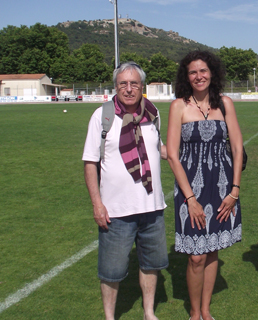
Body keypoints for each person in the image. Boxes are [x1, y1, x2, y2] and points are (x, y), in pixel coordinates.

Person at [83, 62, 168, 320]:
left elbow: (160, 149)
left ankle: (148, 312)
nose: (129, 89)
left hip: (152, 207)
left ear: (142, 87)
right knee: (111, 270)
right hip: (116, 210)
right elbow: (90, 163)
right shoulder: (102, 116)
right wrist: (97, 204)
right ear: (116, 87)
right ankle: (110, 317)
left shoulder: (153, 114)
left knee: (151, 265)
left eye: (134, 84)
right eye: (123, 84)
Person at [166, 51, 244, 320]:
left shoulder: (225, 104)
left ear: (212, 73)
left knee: (212, 252)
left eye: (203, 71)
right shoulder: (178, 106)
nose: (198, 76)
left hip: (223, 186)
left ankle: (206, 310)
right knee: (195, 256)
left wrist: (234, 190)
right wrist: (190, 198)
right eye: (192, 72)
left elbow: (236, 147)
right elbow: (173, 155)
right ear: (186, 76)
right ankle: (194, 312)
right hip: (191, 189)